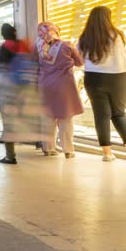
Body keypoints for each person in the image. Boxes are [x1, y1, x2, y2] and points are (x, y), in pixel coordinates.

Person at [78, 6, 126, 162]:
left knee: (101, 116)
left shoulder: (85, 37)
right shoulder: (117, 35)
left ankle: (107, 153)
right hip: (118, 77)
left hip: (93, 78)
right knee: (119, 113)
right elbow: (122, 56)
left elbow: (79, 60)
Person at [0, 24, 44, 165]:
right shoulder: (23, 44)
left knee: (8, 123)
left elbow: (2, 70)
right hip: (25, 88)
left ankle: (10, 156)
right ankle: (38, 142)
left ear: (3, 35)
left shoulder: (4, 47)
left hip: (10, 89)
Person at [37, 22, 84, 158]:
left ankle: (48, 148)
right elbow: (80, 62)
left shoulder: (40, 50)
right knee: (66, 118)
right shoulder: (67, 45)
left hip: (46, 86)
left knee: (48, 118)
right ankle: (68, 150)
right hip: (64, 86)